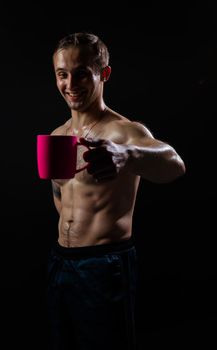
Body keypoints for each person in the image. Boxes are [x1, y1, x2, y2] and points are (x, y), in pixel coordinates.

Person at [46, 32, 186, 350]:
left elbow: (174, 163)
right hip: (60, 261)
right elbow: (62, 197)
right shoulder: (58, 135)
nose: (71, 84)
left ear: (103, 73)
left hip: (103, 263)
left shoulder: (124, 131)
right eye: (62, 74)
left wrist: (127, 156)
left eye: (82, 73)